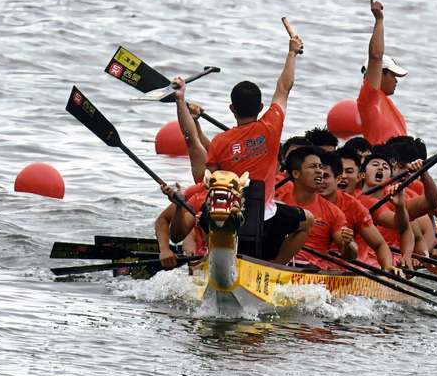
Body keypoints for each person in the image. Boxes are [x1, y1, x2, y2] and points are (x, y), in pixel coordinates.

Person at [165, 34, 313, 265]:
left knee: (207, 212)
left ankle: (214, 258)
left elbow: (194, 144)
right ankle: (277, 266)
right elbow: (284, 86)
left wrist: (180, 100)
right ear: (261, 107)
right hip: (266, 217)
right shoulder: (271, 126)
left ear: (232, 109)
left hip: (226, 218)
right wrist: (292, 52)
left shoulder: (220, 142)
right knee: (308, 220)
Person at [319, 151, 400, 274]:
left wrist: (388, 266)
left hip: (346, 271)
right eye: (318, 176)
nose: (320, 181)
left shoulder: (354, 205)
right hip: (312, 266)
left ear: (337, 178)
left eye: (325, 177)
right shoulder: (303, 198)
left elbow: (380, 244)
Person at [275, 146, 356, 269]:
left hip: (311, 271)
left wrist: (349, 244)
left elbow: (349, 256)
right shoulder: (277, 203)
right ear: (296, 173)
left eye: (320, 167)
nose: (319, 171)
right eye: (313, 166)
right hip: (275, 267)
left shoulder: (333, 212)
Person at [357, 0, 409, 146]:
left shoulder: (391, 107)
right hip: (379, 160)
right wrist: (379, 20)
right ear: (380, 73)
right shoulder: (370, 98)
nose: (396, 81)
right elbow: (375, 56)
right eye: (393, 75)